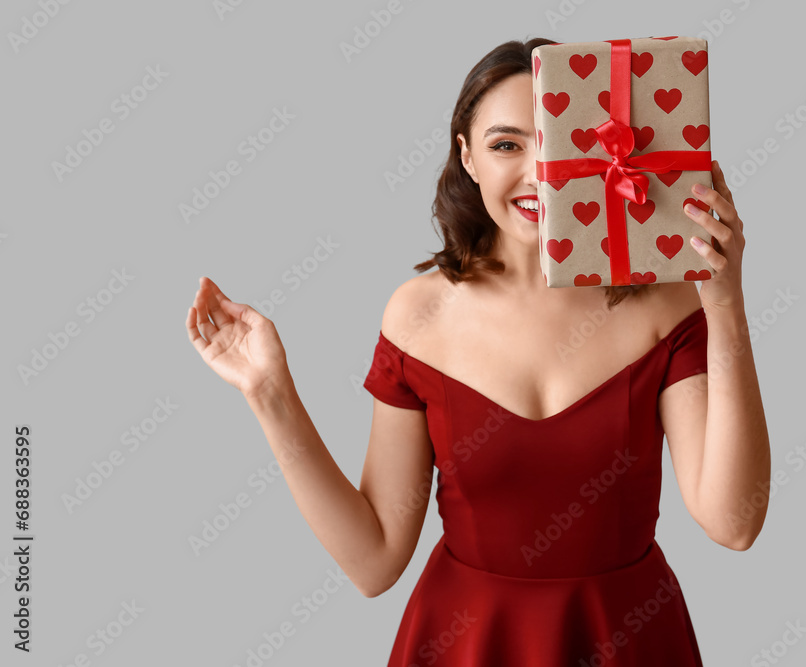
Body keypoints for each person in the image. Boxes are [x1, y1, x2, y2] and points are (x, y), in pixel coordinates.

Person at [186, 36, 770, 667]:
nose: (537, 175)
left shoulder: (669, 308)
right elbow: (375, 558)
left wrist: (725, 302)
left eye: (559, 144)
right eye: (506, 145)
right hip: (464, 639)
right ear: (467, 158)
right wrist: (270, 394)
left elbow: (733, 522)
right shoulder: (416, 316)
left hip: (626, 637)